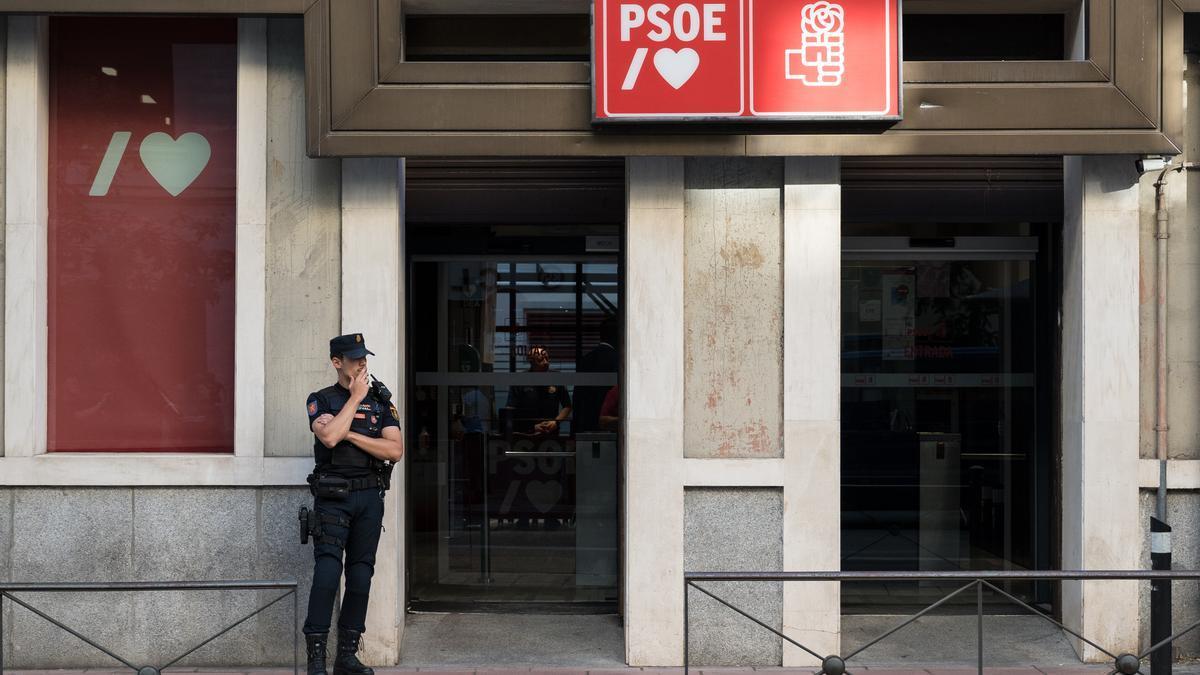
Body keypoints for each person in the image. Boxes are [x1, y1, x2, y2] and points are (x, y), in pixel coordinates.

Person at [301, 333, 404, 675]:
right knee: (328, 573)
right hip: (333, 498)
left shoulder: (380, 401)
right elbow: (327, 437)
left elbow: (394, 450)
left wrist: (349, 432)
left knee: (360, 576)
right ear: (336, 362)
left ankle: (346, 655)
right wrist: (354, 398)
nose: (362, 363)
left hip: (369, 498)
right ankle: (316, 656)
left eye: (364, 357)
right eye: (355, 357)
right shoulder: (321, 399)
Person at [505, 345, 572, 435]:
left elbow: (567, 406)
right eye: (540, 360)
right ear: (532, 363)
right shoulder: (520, 380)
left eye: (547, 359)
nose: (546, 362)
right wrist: (531, 427)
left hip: (551, 432)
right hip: (527, 433)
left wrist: (556, 422)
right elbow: (510, 410)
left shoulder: (556, 378)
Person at [573, 317, 619, 432]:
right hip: (609, 424)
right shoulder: (618, 360)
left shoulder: (586, 359)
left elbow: (577, 396)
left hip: (586, 423)